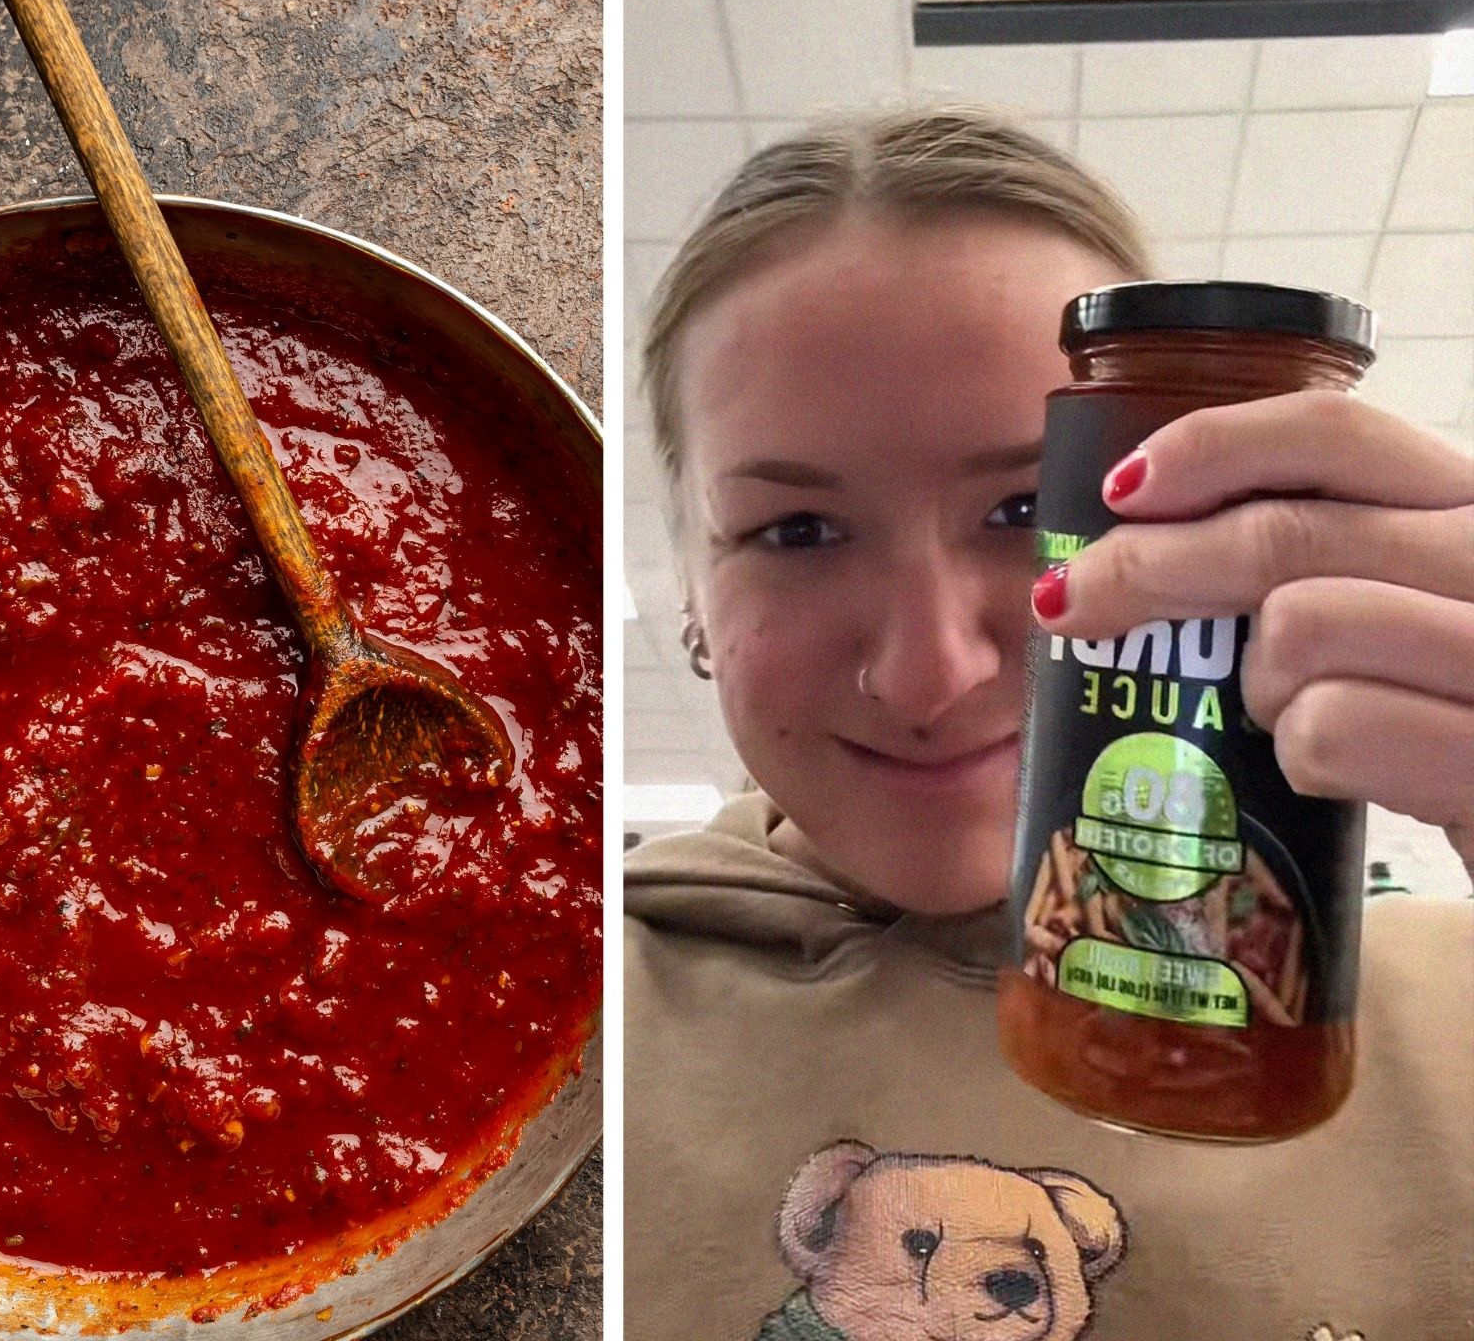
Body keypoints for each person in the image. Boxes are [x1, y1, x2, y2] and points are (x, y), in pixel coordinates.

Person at [624, 105, 1474, 1337]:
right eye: (794, 531)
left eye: (1030, 504)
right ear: (694, 603)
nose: (929, 675)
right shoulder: (571, 1027)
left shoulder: (1449, 1010)